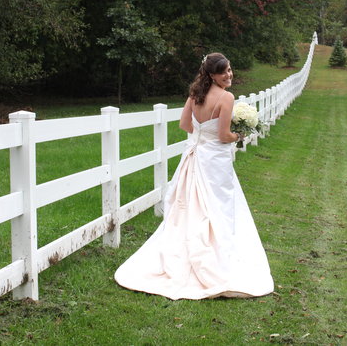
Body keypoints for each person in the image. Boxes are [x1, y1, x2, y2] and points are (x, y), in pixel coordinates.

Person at [114, 53, 274, 299]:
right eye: (224, 72)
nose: (229, 75)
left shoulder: (194, 94)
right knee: (216, 206)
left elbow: (185, 126)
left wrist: (201, 134)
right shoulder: (226, 97)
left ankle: (188, 248)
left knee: (191, 207)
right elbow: (223, 136)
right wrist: (240, 135)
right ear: (212, 74)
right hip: (215, 161)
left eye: (230, 69)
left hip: (195, 155)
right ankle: (214, 254)